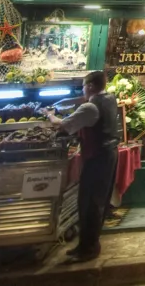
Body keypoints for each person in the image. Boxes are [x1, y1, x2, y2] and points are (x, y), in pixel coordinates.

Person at [47, 70, 120, 262]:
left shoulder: (90, 107)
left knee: (90, 203)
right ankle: (86, 245)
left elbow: (62, 125)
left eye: (83, 87)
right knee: (95, 202)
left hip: (98, 157)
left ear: (90, 86)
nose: (82, 91)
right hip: (108, 154)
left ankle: (88, 249)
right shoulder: (110, 99)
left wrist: (49, 115)